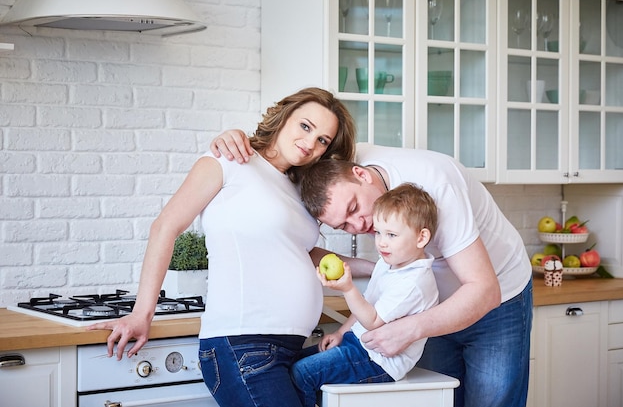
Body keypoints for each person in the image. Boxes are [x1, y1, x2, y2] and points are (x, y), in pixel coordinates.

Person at [87, 87, 366, 407]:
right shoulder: (231, 159)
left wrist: (379, 265)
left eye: (323, 140)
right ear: (285, 116)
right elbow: (165, 227)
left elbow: (299, 253)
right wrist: (141, 313)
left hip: (290, 347)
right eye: (305, 126)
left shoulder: (297, 188)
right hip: (243, 345)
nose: (310, 143)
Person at [210, 135, 533, 407]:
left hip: (497, 295)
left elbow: (483, 289)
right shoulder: (334, 170)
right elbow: (281, 153)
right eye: (344, 226)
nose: (359, 225)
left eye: (354, 209)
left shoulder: (435, 184)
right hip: (428, 305)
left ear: (361, 174)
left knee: (491, 402)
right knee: (440, 398)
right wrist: (238, 139)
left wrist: (410, 329)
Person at [291, 183, 440, 407]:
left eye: (391, 234)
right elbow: (368, 303)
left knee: (303, 373)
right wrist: (341, 332)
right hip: (358, 343)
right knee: (292, 362)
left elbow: (372, 320)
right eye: (379, 232)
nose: (381, 242)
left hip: (379, 361)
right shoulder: (388, 263)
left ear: (421, 238)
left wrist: (348, 288)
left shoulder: (414, 282)